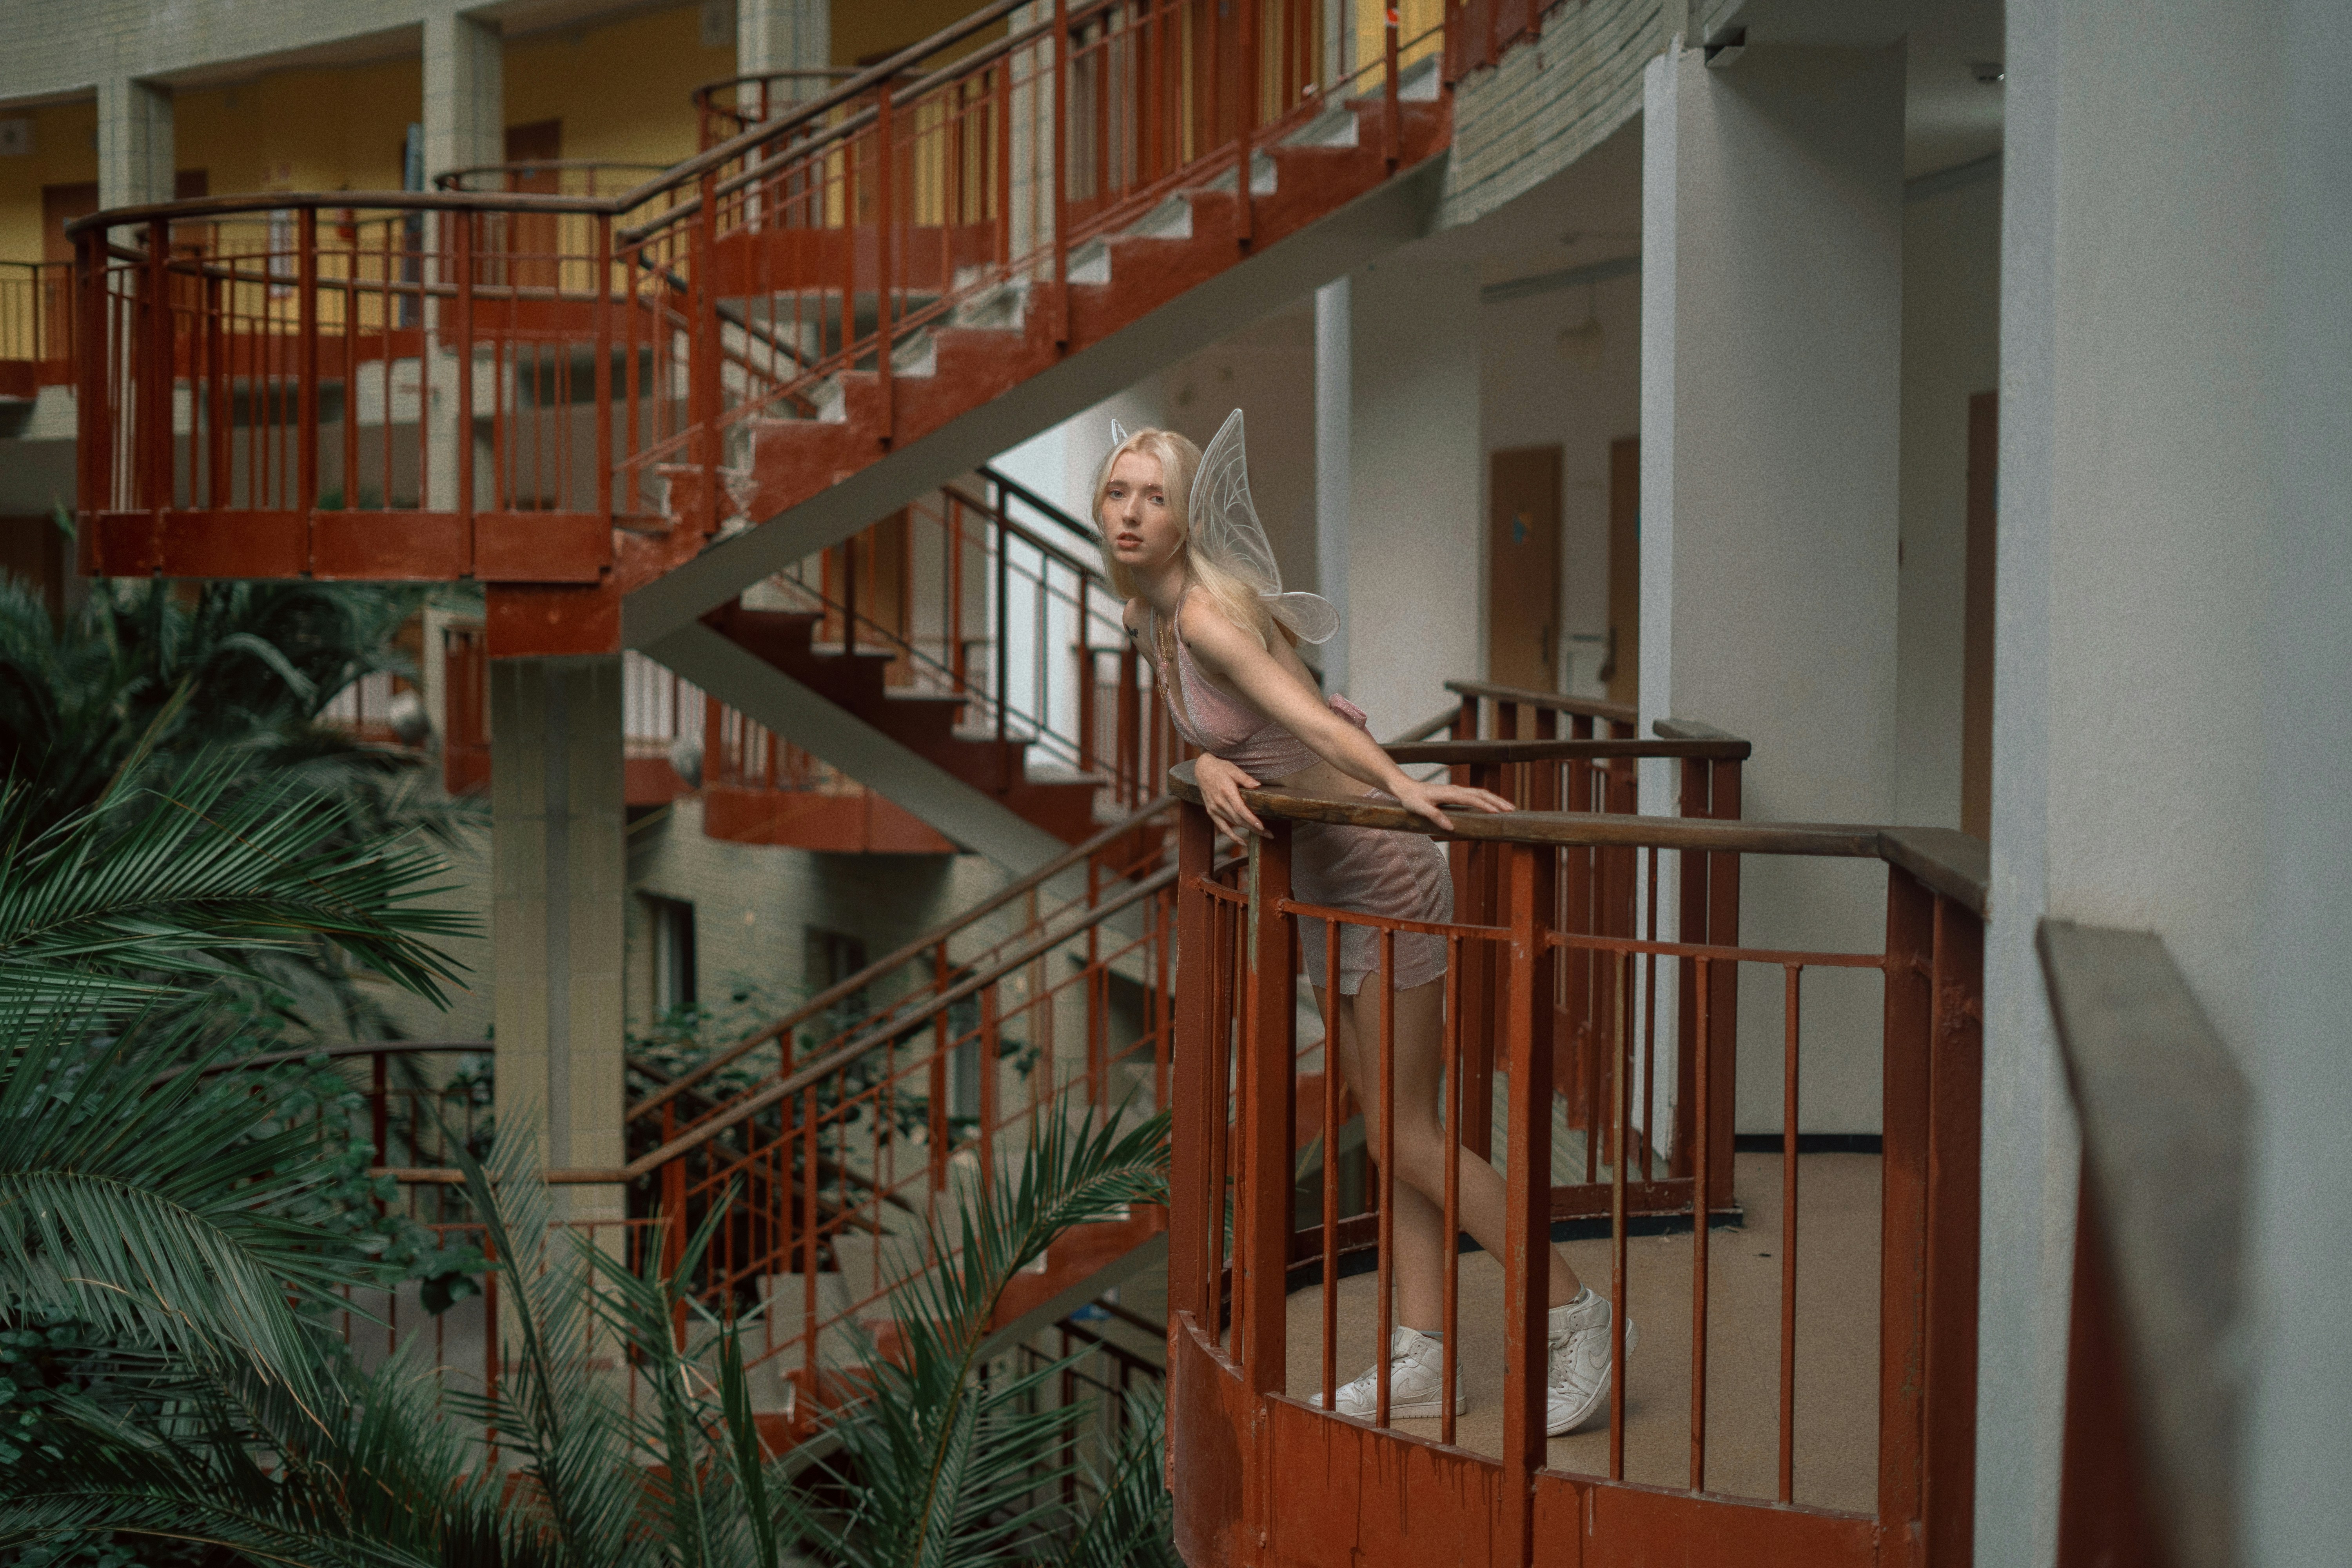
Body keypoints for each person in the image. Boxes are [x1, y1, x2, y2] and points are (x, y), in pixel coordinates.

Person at [1097, 412, 1635, 1435]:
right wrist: (1206, 766)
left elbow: (1303, 714)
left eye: (1153, 496)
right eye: (1118, 494)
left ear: (1187, 515)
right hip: (1321, 890)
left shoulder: (1206, 615)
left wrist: (1407, 787)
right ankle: (1425, 1359)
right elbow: (1239, 739)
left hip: (1379, 870)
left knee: (1410, 1133)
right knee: (1393, 1136)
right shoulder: (1153, 618)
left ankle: (1582, 1318)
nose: (1131, 513)